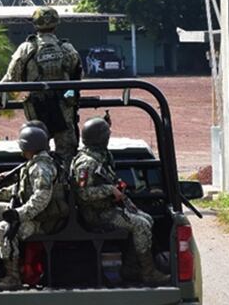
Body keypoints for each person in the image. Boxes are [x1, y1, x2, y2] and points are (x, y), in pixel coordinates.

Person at [70, 116, 170, 285]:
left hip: (106, 209)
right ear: (100, 138)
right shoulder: (86, 163)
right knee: (140, 224)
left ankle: (131, 268)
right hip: (96, 214)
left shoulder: (100, 157)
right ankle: (148, 272)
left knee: (147, 219)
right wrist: (109, 190)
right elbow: (82, 193)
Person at [0, 122, 67, 291]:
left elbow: (41, 199)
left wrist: (18, 215)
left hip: (45, 222)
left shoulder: (42, 168)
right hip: (38, 215)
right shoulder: (34, 164)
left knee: (3, 229)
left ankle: (13, 277)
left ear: (28, 146)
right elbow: (20, 190)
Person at [1, 6, 82, 165]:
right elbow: (78, 76)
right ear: (56, 24)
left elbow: (11, 77)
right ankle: (64, 182)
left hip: (37, 108)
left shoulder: (26, 49)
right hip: (63, 108)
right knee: (67, 154)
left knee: (36, 151)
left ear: (35, 25)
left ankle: (40, 177)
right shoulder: (67, 48)